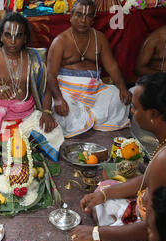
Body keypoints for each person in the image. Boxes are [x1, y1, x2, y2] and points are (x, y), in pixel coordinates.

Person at [62, 73, 166, 241]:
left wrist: (95, 233)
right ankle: (115, 230)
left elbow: (149, 232)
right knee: (105, 190)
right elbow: (147, 180)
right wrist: (105, 194)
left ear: (153, 114)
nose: (131, 112)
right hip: (155, 221)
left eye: (135, 107)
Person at [0, 12, 65, 161]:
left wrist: (46, 112)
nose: (13, 41)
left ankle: (1, 146)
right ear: (1, 36)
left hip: (27, 116)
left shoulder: (34, 58)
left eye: (18, 36)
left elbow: (45, 88)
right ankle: (21, 146)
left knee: (54, 132)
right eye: (8, 35)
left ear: (25, 37)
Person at [46, 0, 132, 138]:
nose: (83, 20)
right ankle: (89, 120)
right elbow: (50, 74)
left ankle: (88, 120)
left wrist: (122, 88)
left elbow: (112, 66)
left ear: (93, 20)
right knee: (65, 111)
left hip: (94, 90)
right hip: (68, 91)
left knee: (117, 97)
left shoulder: (100, 38)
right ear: (71, 16)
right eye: (79, 15)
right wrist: (58, 99)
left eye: (88, 16)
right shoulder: (60, 41)